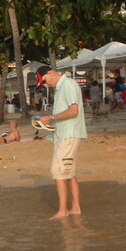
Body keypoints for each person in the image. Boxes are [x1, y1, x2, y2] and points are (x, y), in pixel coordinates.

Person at [36, 65, 87, 219]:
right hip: (64, 134)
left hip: (69, 135)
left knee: (58, 171)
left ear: (50, 73)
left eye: (43, 81)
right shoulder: (60, 87)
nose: (45, 85)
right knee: (69, 172)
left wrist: (51, 118)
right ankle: (76, 207)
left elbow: (74, 111)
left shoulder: (68, 84)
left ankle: (63, 210)